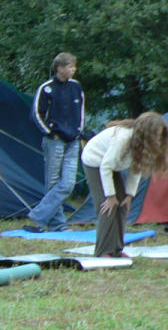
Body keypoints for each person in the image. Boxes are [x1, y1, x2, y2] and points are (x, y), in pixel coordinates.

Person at [81, 112, 168, 258]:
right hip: (95, 162)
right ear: (146, 132)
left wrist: (129, 195)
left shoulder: (142, 144)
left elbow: (136, 169)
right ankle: (103, 252)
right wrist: (110, 196)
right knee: (107, 207)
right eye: (156, 135)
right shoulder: (123, 139)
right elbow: (106, 167)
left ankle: (117, 250)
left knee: (122, 206)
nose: (158, 138)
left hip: (111, 166)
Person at [28, 52, 86, 231]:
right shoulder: (47, 88)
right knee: (53, 182)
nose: (74, 69)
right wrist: (50, 133)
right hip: (55, 140)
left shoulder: (76, 87)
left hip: (73, 140)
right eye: (70, 66)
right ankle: (58, 224)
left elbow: (81, 111)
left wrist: (79, 131)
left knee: (68, 183)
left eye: (74, 66)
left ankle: (38, 215)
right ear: (60, 68)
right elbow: (36, 114)